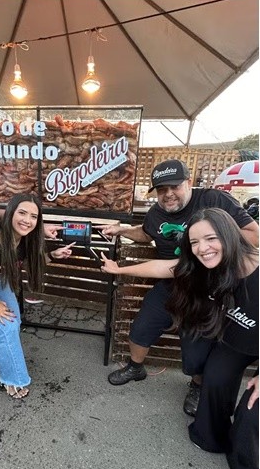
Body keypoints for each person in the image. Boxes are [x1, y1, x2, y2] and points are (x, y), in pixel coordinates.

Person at [101, 208, 258, 469]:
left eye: (210, 239)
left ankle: (245, 464)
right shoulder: (208, 265)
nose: (202, 249)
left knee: (251, 409)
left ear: (230, 235)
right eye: (195, 243)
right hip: (236, 341)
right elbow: (166, 268)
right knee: (215, 378)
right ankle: (211, 437)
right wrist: (119, 269)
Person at [95, 159, 258, 416]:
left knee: (197, 348)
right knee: (141, 329)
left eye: (174, 187)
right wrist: (122, 231)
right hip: (172, 285)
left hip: (211, 290)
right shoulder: (156, 213)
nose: (168, 194)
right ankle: (135, 367)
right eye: (161, 189)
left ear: (188, 183)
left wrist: (212, 248)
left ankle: (196, 385)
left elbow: (254, 234)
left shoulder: (214, 200)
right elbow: (148, 234)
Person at [0, 194, 74, 398]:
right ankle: (12, 379)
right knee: (6, 328)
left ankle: (1, 356)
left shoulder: (26, 239)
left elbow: (27, 263)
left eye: (33, 216)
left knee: (15, 320)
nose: (27, 220)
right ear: (10, 212)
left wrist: (53, 255)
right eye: (22, 213)